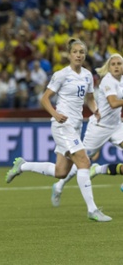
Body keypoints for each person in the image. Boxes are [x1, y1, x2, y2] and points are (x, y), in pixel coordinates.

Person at [5, 38, 112, 222]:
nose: (79, 55)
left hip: (76, 126)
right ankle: (92, 210)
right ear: (69, 55)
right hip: (63, 125)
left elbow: (90, 99)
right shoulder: (61, 75)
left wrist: (96, 111)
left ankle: (22, 165)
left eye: (82, 52)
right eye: (76, 52)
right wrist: (55, 114)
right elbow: (45, 98)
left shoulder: (87, 75)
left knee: (61, 172)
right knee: (84, 163)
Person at [51, 53, 123, 203]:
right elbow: (114, 103)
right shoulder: (107, 81)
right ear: (109, 68)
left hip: (116, 127)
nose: (116, 66)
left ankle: (100, 172)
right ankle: (59, 184)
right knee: (82, 160)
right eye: (113, 64)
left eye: (119, 64)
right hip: (99, 127)